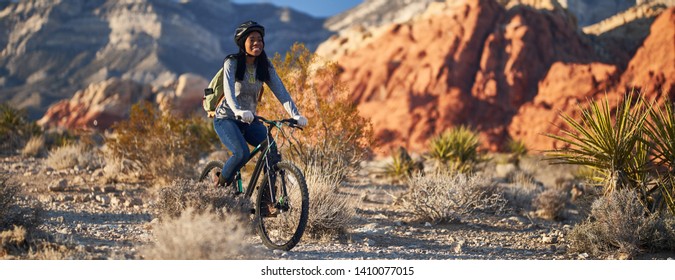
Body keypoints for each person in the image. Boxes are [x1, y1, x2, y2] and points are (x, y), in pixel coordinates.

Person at [213, 20, 308, 188]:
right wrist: (238, 110)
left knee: (271, 152)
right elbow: (228, 92)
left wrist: (295, 114)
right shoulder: (232, 62)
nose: (257, 42)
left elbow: (282, 92)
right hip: (226, 118)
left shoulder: (265, 66)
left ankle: (266, 203)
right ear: (243, 43)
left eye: (260, 39)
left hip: (249, 120)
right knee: (241, 153)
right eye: (252, 39)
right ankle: (218, 186)